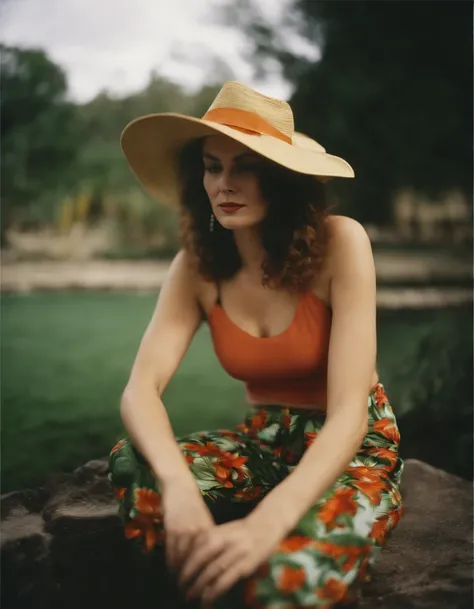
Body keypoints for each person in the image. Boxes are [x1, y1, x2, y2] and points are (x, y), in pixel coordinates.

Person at [108, 81, 404, 608]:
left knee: (286, 577)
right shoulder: (195, 266)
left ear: (283, 177)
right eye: (212, 165)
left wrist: (269, 522)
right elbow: (140, 390)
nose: (225, 183)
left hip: (352, 448)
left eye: (246, 165)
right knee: (138, 464)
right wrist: (179, 489)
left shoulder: (343, 244)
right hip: (265, 440)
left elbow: (348, 416)